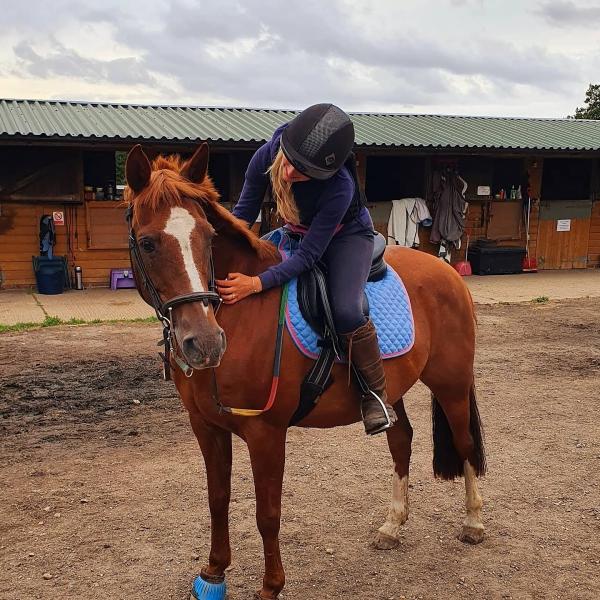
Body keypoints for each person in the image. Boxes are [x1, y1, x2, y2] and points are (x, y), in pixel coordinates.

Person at [215, 103, 397, 435]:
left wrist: (256, 284)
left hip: (346, 236)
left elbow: (309, 256)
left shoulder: (340, 186)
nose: (288, 174)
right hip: (294, 229)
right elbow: (243, 214)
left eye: (302, 173)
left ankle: (375, 395)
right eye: (290, 163)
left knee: (346, 309)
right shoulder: (266, 156)